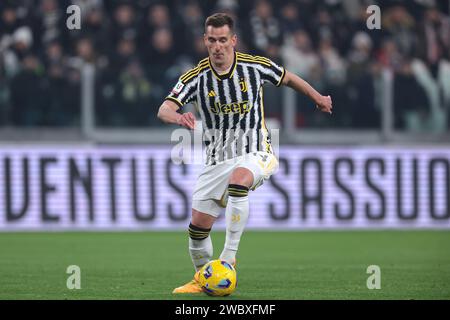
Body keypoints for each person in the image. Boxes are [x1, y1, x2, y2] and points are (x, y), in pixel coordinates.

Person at [157, 13, 332, 294]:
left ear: (233, 40)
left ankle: (227, 259)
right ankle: (203, 279)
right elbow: (164, 108)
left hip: (257, 149)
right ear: (205, 41)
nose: (217, 46)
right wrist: (178, 118)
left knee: (239, 181)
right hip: (217, 159)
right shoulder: (196, 77)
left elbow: (287, 78)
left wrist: (318, 98)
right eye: (212, 40)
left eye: (223, 40)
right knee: (197, 228)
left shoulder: (254, 66)